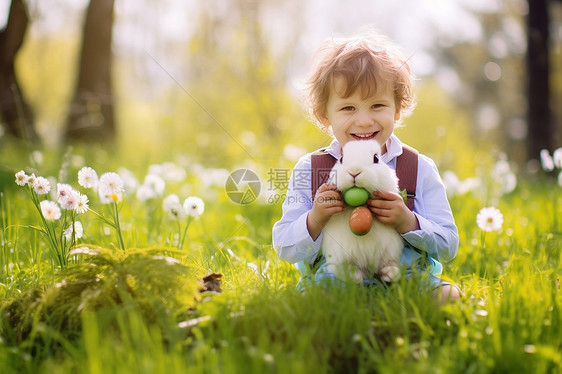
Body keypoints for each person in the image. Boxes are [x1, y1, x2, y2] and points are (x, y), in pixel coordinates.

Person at [272, 28, 462, 302]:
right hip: (335, 280)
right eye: (348, 108)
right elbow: (284, 246)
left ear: (397, 110)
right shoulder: (311, 168)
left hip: (407, 278)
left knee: (449, 297)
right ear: (326, 115)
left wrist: (408, 221)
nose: (363, 121)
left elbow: (448, 245)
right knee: (307, 304)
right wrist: (315, 219)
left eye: (377, 106)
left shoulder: (417, 167)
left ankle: (402, 326)